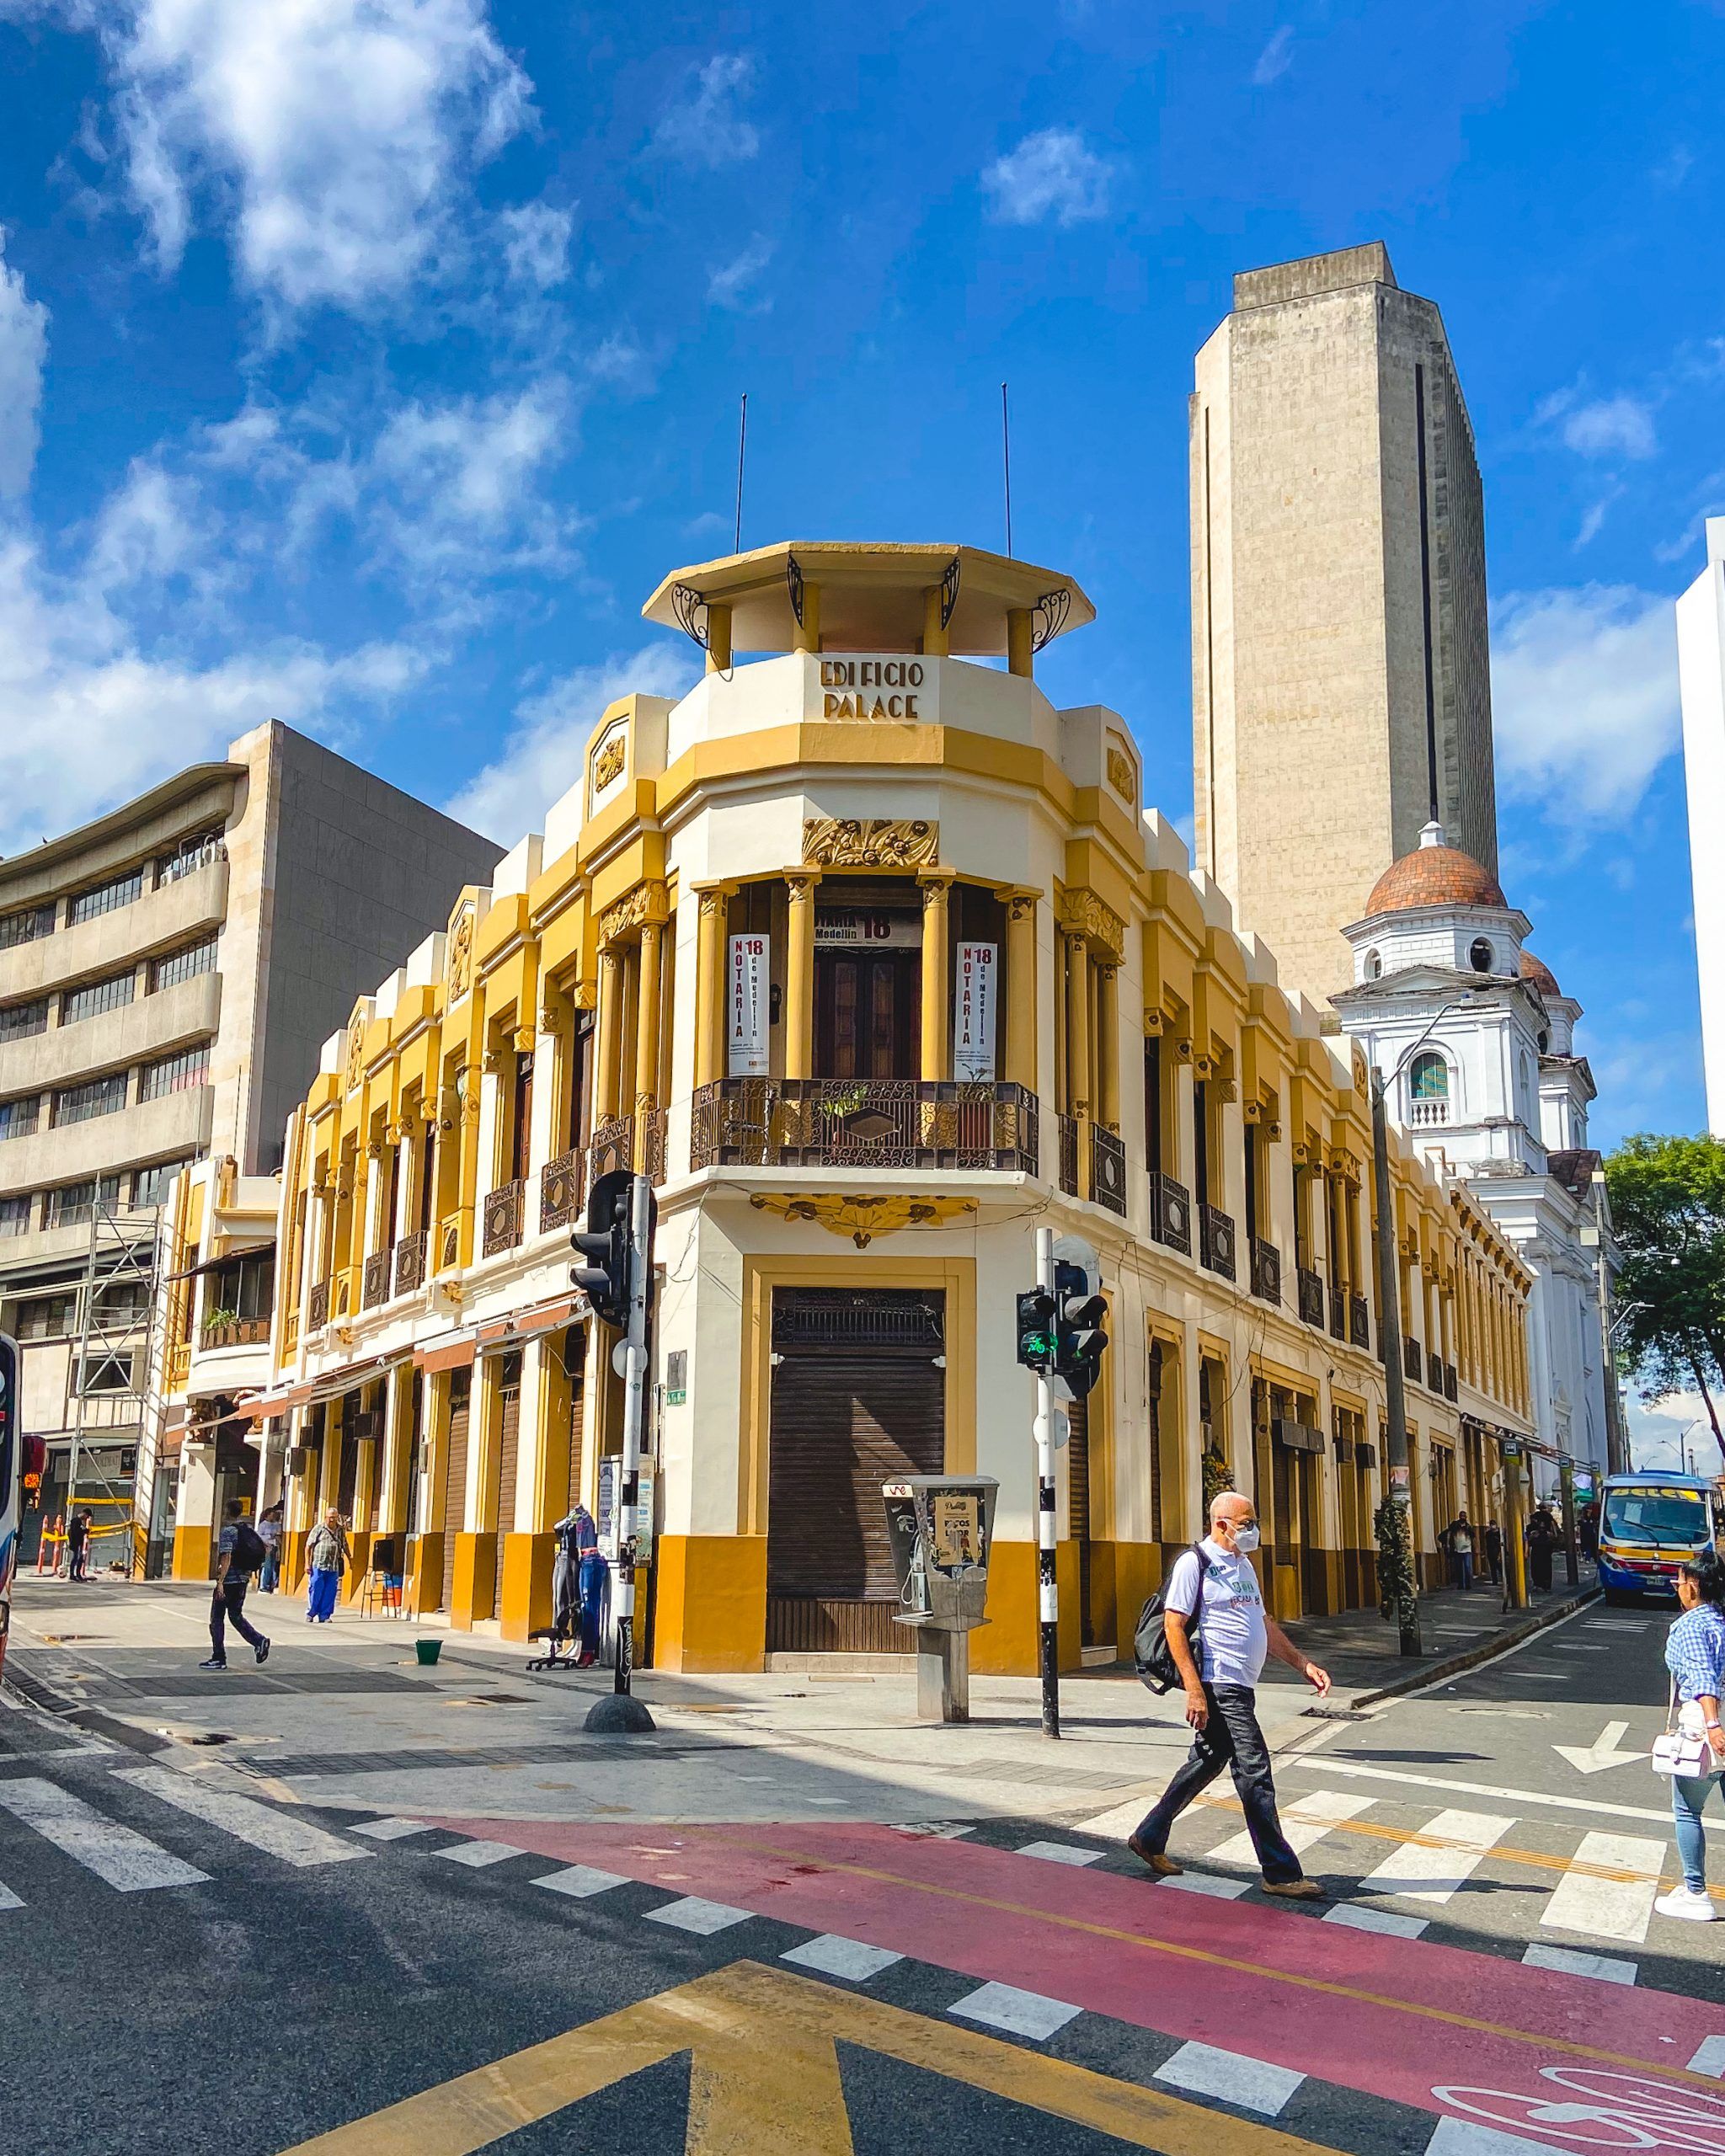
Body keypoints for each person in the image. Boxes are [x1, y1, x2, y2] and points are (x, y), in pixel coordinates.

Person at [1127, 1491, 1332, 1900]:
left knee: (1207, 1759)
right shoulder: (1195, 1563)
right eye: (1246, 1522)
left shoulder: (1243, 1565)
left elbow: (1263, 1620)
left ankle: (1149, 1836)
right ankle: (1280, 1871)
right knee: (1254, 1772)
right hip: (1219, 1683)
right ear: (1221, 1523)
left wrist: (1302, 1664)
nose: (1253, 1529)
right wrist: (1195, 1691)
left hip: (1240, 1683)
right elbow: (1173, 1626)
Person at [1658, 1551, 1725, 1922]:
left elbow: (1702, 1677)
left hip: (1706, 1722)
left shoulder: (1692, 1626)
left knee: (1687, 1810)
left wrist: (1713, 1726)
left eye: (1679, 1583)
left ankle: (1696, 1893)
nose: (1677, 1589)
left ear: (1693, 1587)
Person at [200, 1499, 271, 1671]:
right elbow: (266, 1548)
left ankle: (219, 1658)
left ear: (226, 1511)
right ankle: (258, 1640)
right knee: (235, 1615)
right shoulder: (246, 1529)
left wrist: (221, 1581)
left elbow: (227, 1556)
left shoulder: (228, 1531)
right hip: (242, 1580)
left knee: (216, 1618)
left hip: (229, 1581)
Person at [305, 1508, 349, 1624]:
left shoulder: (340, 1530)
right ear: (325, 1517)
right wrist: (307, 1564)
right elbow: (308, 1546)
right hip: (318, 1565)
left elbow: (344, 1544)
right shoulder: (319, 1528)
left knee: (330, 1592)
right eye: (330, 1517)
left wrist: (351, 1559)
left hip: (333, 1566)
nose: (332, 1520)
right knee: (315, 1589)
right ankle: (311, 1613)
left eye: (334, 1517)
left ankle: (325, 1615)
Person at [1527, 1504, 1560, 1593]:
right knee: (1546, 1566)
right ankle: (1545, 1585)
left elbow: (1528, 1539)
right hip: (1545, 1547)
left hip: (1539, 1547)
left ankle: (1538, 1584)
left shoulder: (1534, 1522)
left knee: (1536, 1566)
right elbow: (1556, 1534)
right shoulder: (1549, 1519)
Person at [1444, 1510, 1476, 1593]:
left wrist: (1474, 1548)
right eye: (1461, 1516)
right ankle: (1461, 1585)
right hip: (1457, 1550)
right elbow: (1449, 1534)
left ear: (1466, 1517)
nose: (1462, 1517)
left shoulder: (1468, 1527)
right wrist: (1448, 1544)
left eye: (1464, 1516)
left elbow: (1473, 1538)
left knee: (1467, 1568)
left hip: (1467, 1550)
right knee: (1459, 1568)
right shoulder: (1455, 1525)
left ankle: (1468, 1584)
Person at [257, 1502, 284, 1593]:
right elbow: (259, 1536)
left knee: (273, 1566)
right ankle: (263, 1585)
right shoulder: (263, 1525)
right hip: (267, 1546)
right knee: (266, 1566)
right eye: (272, 1515)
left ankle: (272, 1584)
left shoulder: (276, 1525)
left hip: (274, 1546)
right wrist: (269, 1536)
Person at [65, 1508, 90, 1582]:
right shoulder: (76, 1521)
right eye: (87, 1516)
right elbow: (76, 1532)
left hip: (77, 1543)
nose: (86, 1518)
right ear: (85, 1514)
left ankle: (77, 1575)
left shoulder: (77, 1521)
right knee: (76, 1559)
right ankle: (73, 1575)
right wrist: (84, 1531)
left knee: (80, 1559)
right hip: (76, 1543)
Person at [1483, 1520, 1503, 1587]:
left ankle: (1504, 1580)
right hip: (1490, 1552)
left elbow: (1501, 1543)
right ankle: (1495, 1581)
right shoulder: (1488, 1533)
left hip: (1497, 1551)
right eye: (1491, 1525)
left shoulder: (1499, 1533)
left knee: (1500, 1567)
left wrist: (1500, 1553)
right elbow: (1487, 1543)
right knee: (1492, 1568)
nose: (1492, 1526)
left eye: (1493, 1524)